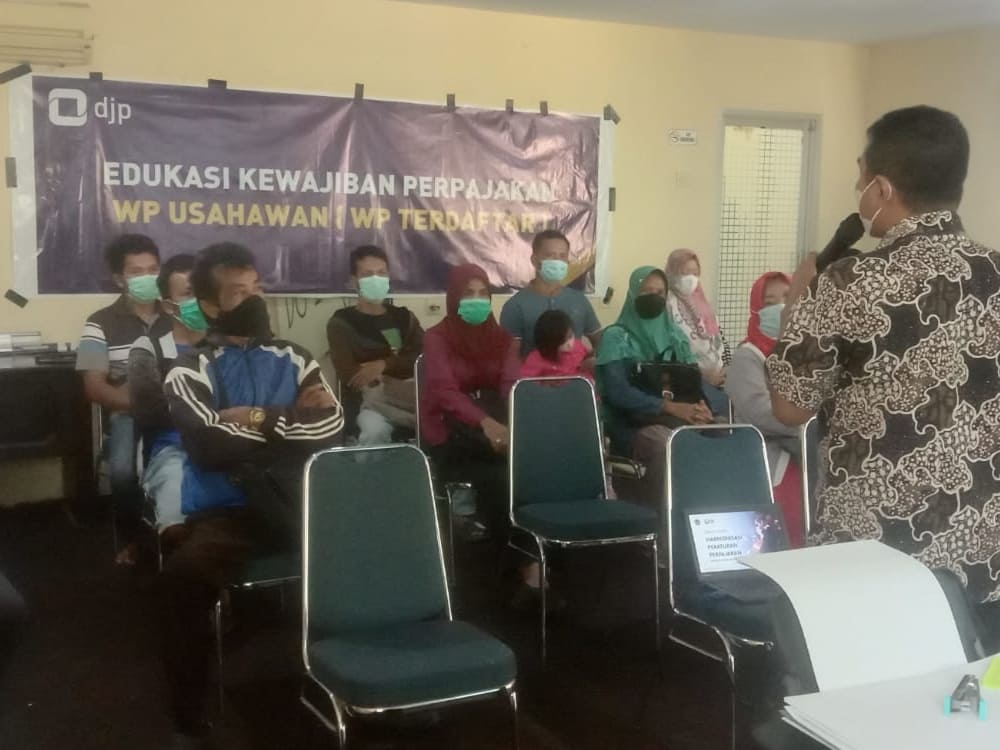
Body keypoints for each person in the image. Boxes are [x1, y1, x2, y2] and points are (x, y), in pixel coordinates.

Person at [768, 106, 1000, 619]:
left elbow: (789, 407)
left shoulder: (850, 281)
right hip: (983, 549)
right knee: (971, 670)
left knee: (862, 669)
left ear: (883, 188)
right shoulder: (994, 273)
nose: (859, 189)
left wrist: (798, 304)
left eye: (861, 177)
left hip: (874, 551)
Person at [160, 243, 343, 746]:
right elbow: (208, 444)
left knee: (372, 549)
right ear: (211, 305)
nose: (257, 299)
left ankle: (371, 678)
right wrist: (290, 425)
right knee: (182, 577)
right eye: (241, 293)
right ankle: (188, 716)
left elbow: (331, 428)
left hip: (299, 499)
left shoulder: (295, 356)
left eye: (257, 288)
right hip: (229, 512)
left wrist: (256, 418)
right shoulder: (189, 368)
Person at [421, 264, 546, 601]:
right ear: (453, 297)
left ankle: (521, 564)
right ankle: (526, 569)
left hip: (496, 430)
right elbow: (445, 391)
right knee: (501, 478)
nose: (477, 300)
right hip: (450, 435)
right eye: (468, 294)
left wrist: (513, 425)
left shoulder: (502, 338)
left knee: (530, 470)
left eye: (483, 294)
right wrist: (486, 423)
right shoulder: (437, 337)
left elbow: (510, 385)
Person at [76, 233, 162, 562]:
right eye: (136, 272)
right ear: (119, 278)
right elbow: (94, 387)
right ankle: (132, 541)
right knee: (124, 472)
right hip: (129, 413)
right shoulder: (99, 323)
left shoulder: (179, 316)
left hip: (179, 411)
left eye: (152, 269)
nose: (147, 277)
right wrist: (140, 405)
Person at [596, 266, 712, 508]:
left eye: (659, 292)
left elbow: (692, 382)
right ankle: (662, 518)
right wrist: (668, 407)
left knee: (724, 431)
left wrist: (702, 408)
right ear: (633, 294)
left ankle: (713, 512)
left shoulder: (676, 336)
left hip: (677, 418)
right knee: (670, 443)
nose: (654, 296)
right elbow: (618, 393)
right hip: (632, 424)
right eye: (646, 291)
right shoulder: (616, 336)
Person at [127, 254, 206, 553]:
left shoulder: (227, 346)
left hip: (228, 445)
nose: (198, 301)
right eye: (188, 294)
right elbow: (151, 414)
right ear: (168, 305)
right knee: (177, 516)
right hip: (173, 448)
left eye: (203, 292)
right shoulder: (149, 349)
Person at [727, 272, 804, 546]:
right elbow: (759, 411)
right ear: (756, 310)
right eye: (770, 302)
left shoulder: (802, 352)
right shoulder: (747, 356)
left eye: (787, 298)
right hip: (768, 456)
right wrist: (806, 425)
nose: (781, 307)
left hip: (803, 449)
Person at [327, 245, 423, 446]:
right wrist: (400, 364)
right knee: (374, 432)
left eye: (381, 273)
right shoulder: (341, 323)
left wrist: (382, 366)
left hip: (409, 397)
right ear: (354, 281)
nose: (376, 279)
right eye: (367, 274)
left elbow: (422, 358)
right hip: (368, 405)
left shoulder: (404, 318)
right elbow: (351, 375)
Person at [500, 229, 602, 358]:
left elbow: (601, 342)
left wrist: (591, 361)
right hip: (533, 371)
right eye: (550, 255)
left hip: (575, 371)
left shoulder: (579, 301)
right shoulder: (515, 306)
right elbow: (511, 358)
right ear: (535, 260)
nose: (557, 261)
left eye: (562, 256)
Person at [665, 249, 731, 415]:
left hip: (719, 378)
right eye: (684, 273)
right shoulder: (666, 304)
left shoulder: (703, 303)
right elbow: (669, 349)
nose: (691, 278)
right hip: (689, 381)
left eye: (695, 273)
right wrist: (702, 375)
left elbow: (720, 339)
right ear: (672, 273)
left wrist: (726, 369)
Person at [519, 309, 592, 382]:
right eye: (562, 342)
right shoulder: (535, 360)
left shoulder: (579, 347)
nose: (570, 344)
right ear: (549, 343)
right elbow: (525, 384)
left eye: (570, 336)